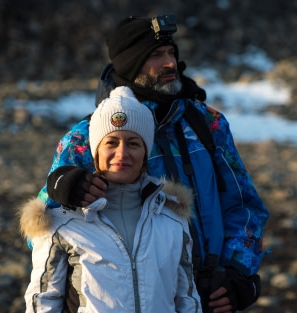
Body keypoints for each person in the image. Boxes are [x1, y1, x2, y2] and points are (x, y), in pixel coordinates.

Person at [37, 15, 270, 313]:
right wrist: (64, 187)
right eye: (156, 55)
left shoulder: (206, 124)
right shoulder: (90, 136)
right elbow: (45, 230)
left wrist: (238, 273)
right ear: (132, 64)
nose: (170, 63)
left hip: (209, 296)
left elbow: (245, 207)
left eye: (171, 52)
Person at [20, 86, 202, 313]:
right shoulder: (62, 222)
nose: (122, 153)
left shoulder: (172, 219)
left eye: (134, 143)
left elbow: (187, 300)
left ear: (146, 154)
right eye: (111, 142)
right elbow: (42, 303)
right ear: (95, 152)